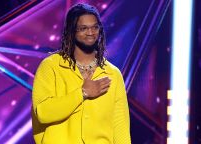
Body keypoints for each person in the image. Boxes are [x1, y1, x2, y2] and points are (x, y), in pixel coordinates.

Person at [32, 3, 131, 144]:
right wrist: (82, 93)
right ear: (72, 31)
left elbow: (120, 126)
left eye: (95, 27)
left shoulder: (113, 74)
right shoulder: (51, 66)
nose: (90, 32)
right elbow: (43, 113)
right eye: (83, 28)